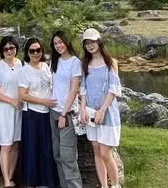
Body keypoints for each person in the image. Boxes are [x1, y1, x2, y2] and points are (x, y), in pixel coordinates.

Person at [79, 29, 122, 188]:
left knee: (105, 152)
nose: (90, 45)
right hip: (90, 111)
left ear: (99, 41)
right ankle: (104, 185)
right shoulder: (85, 64)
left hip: (107, 112)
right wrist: (83, 109)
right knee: (96, 150)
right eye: (87, 43)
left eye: (93, 42)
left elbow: (113, 89)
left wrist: (102, 110)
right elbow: (83, 88)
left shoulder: (111, 62)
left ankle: (116, 184)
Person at [18, 38, 58, 188]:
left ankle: (47, 181)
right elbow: (22, 95)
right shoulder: (25, 71)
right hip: (33, 115)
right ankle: (32, 181)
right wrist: (43, 101)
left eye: (38, 50)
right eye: (32, 51)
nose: (36, 53)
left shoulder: (46, 67)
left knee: (47, 148)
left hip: (48, 113)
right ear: (27, 53)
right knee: (33, 149)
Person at [49, 31, 83, 188]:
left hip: (67, 114)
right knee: (57, 154)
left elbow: (74, 90)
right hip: (53, 112)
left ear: (67, 42)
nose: (58, 46)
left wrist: (64, 114)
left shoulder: (75, 62)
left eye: (60, 42)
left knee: (68, 156)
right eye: (55, 44)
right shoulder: (55, 61)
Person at [0, 36, 23, 188]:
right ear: (2, 51)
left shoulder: (20, 64)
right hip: (4, 110)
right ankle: (7, 181)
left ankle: (10, 175)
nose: (9, 51)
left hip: (19, 110)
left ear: (16, 48)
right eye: (6, 49)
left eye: (12, 48)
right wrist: (11, 101)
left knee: (16, 143)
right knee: (6, 145)